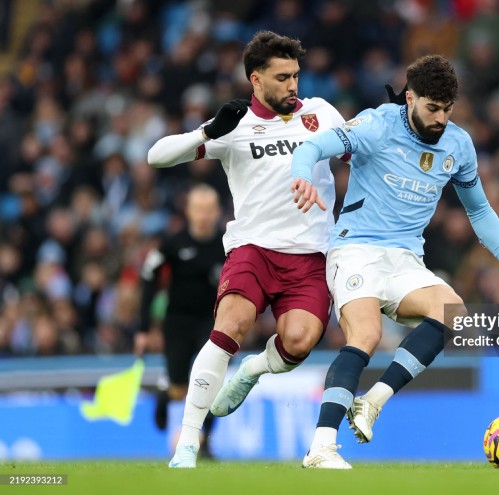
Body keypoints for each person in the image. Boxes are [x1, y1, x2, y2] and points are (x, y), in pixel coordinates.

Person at [291, 55, 499, 469]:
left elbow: (479, 211)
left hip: (405, 257)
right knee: (367, 335)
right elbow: (315, 145)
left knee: (453, 313)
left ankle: (373, 401)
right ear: (410, 97)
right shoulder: (377, 125)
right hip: (356, 248)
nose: (441, 118)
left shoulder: (458, 146)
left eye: (448, 109)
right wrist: (301, 174)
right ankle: (320, 447)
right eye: (432, 108)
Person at [147, 31, 348, 468]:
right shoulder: (233, 126)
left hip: (312, 254)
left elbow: (360, 150)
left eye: (296, 75)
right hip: (253, 249)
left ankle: (254, 370)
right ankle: (187, 443)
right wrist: (206, 131)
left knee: (298, 341)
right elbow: (156, 157)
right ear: (255, 80)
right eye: (282, 77)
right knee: (231, 324)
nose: (293, 86)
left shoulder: (320, 113)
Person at [134, 184, 225, 459]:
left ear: (217, 212)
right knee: (179, 387)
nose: (203, 216)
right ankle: (166, 394)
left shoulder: (226, 244)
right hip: (177, 323)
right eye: (198, 209)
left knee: (210, 383)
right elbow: (149, 279)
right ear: (188, 211)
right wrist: (143, 327)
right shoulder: (172, 243)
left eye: (208, 210)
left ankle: (204, 442)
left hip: (211, 323)